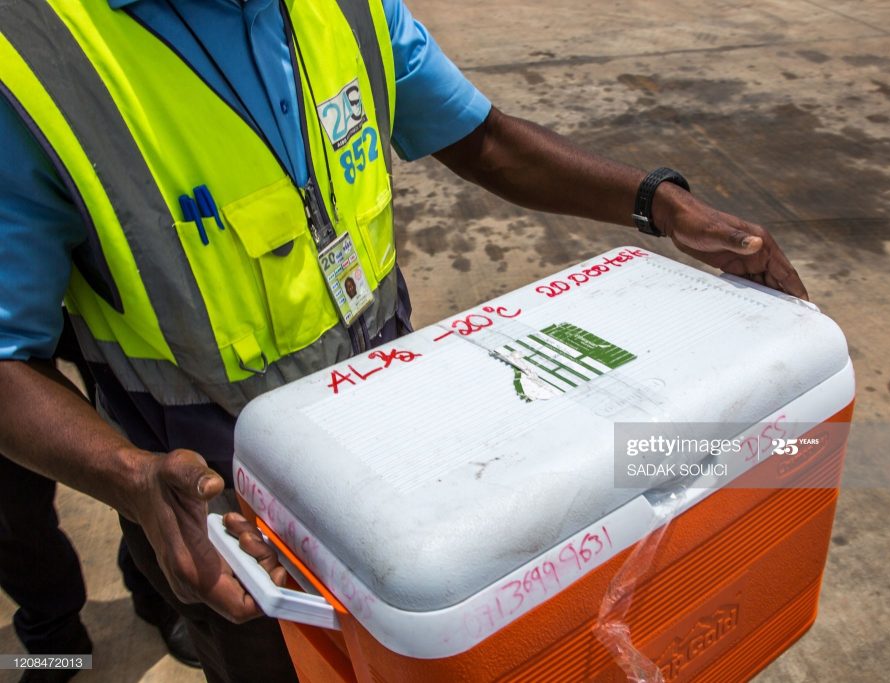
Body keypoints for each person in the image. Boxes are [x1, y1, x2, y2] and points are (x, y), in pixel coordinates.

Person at [0, 1, 807, 681]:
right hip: (243, 535)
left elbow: (478, 136)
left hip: (411, 467)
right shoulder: (35, 64)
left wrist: (657, 202)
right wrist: (131, 477)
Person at [0, 319, 199, 683]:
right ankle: (55, 642)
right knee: (9, 510)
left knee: (143, 439)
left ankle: (154, 591)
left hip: (90, 289)